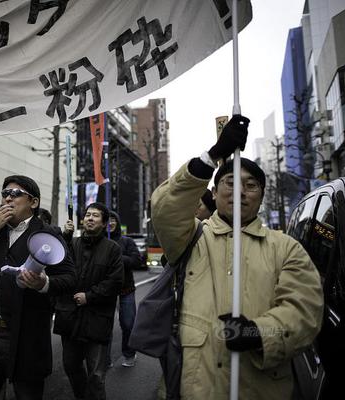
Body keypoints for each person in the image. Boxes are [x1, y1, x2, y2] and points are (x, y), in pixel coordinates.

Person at [150, 115, 323, 399]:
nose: (241, 191)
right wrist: (214, 154)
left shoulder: (286, 248)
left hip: (262, 387)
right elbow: (164, 208)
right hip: (196, 387)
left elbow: (305, 311)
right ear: (214, 193)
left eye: (251, 185)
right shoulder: (190, 239)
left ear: (262, 196)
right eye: (231, 182)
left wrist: (259, 333)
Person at [0, 175, 76, 400]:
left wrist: (43, 284)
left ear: (33, 202)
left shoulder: (48, 234)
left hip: (27, 336)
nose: (8, 198)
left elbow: (70, 279)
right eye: (4, 194)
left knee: (27, 393)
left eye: (16, 194)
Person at [55, 202, 124, 400]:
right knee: (71, 367)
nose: (90, 218)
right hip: (70, 317)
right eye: (87, 215)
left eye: (95, 216)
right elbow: (57, 263)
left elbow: (115, 281)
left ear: (104, 223)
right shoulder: (73, 243)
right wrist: (65, 236)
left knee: (96, 374)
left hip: (97, 319)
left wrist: (90, 296)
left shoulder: (112, 249)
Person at [106, 211, 141, 368]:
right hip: (104, 291)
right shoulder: (99, 241)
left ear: (117, 223)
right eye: (107, 220)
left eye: (113, 220)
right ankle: (104, 359)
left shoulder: (127, 242)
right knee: (104, 327)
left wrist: (116, 256)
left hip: (126, 290)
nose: (110, 223)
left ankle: (129, 353)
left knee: (128, 324)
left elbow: (136, 260)